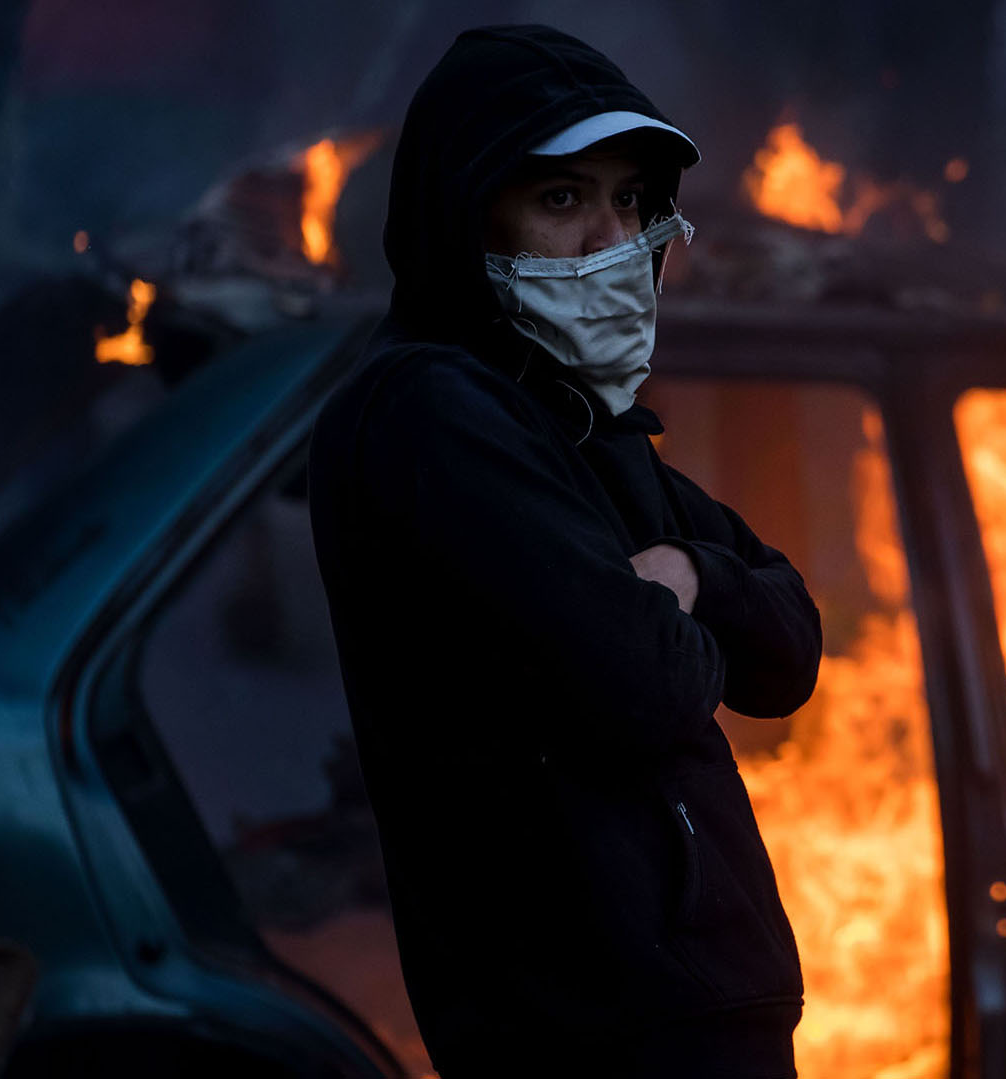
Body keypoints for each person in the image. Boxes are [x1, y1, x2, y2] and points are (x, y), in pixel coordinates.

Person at [307, 24, 820, 1078]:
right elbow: (645, 678)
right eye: (561, 199)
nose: (606, 237)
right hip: (590, 1034)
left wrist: (688, 576)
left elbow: (789, 651)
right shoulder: (432, 411)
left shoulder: (582, 428)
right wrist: (684, 614)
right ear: (467, 212)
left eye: (630, 200)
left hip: (691, 1015)